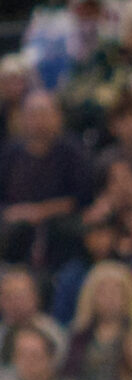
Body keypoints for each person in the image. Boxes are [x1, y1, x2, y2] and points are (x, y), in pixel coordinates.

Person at [1, 90, 93, 274]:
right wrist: (15, 213)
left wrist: (39, 211)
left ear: (57, 117)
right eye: (33, 115)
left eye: (44, 114)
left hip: (62, 230)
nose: (39, 122)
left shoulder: (73, 152)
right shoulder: (10, 154)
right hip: (16, 230)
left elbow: (81, 198)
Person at [66, 256, 132, 380]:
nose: (110, 297)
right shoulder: (78, 335)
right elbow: (69, 377)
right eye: (103, 292)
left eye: (116, 291)